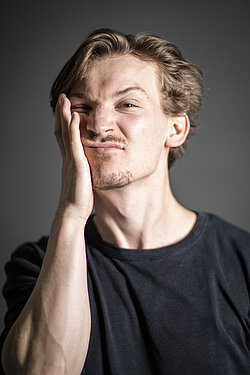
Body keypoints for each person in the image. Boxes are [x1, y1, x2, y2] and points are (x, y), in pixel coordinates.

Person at [0, 28, 249, 375]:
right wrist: (72, 213)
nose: (99, 125)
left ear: (175, 130)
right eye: (82, 107)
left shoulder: (243, 261)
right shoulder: (39, 265)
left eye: (127, 104)